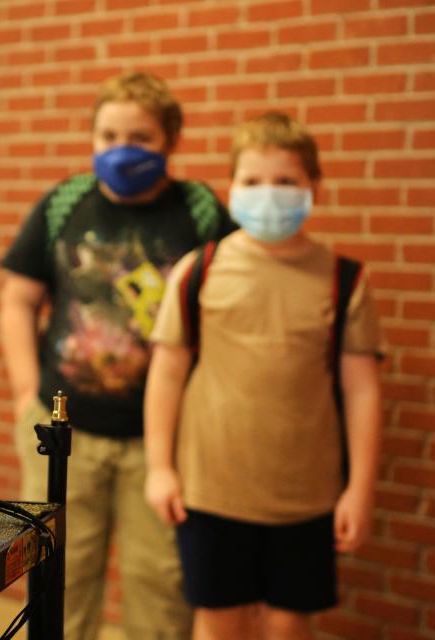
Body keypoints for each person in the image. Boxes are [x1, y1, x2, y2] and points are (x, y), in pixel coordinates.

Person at [0, 71, 236, 640]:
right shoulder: (65, 203)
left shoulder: (200, 210)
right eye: (108, 136)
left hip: (164, 442)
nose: (121, 150)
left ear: (171, 141)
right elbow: (18, 300)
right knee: (61, 576)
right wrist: (26, 393)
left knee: (161, 582)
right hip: (62, 436)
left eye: (141, 137)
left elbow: (228, 309)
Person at [144, 112, 382, 640]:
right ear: (232, 188)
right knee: (219, 617)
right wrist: (160, 467)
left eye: (286, 181)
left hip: (307, 493)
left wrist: (359, 489)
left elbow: (362, 390)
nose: (268, 194)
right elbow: (166, 376)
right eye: (252, 181)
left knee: (287, 621)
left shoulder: (345, 280)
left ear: (314, 187)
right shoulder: (198, 271)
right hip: (210, 489)